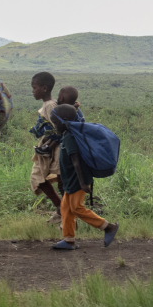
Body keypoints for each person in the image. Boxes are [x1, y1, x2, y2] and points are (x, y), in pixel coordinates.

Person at [51, 103, 119, 250]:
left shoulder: (70, 137)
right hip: (71, 180)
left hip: (78, 180)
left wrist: (82, 183)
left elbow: (76, 160)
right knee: (65, 208)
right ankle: (69, 240)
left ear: (63, 121)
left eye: (55, 123)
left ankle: (109, 227)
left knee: (76, 208)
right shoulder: (66, 136)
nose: (55, 126)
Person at [28, 71, 64, 223]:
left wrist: (50, 146)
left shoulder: (50, 106)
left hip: (55, 150)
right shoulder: (49, 104)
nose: (32, 91)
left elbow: (59, 130)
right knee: (40, 178)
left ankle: (63, 211)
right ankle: (62, 210)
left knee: (42, 178)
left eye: (34, 87)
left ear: (44, 88)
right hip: (50, 149)